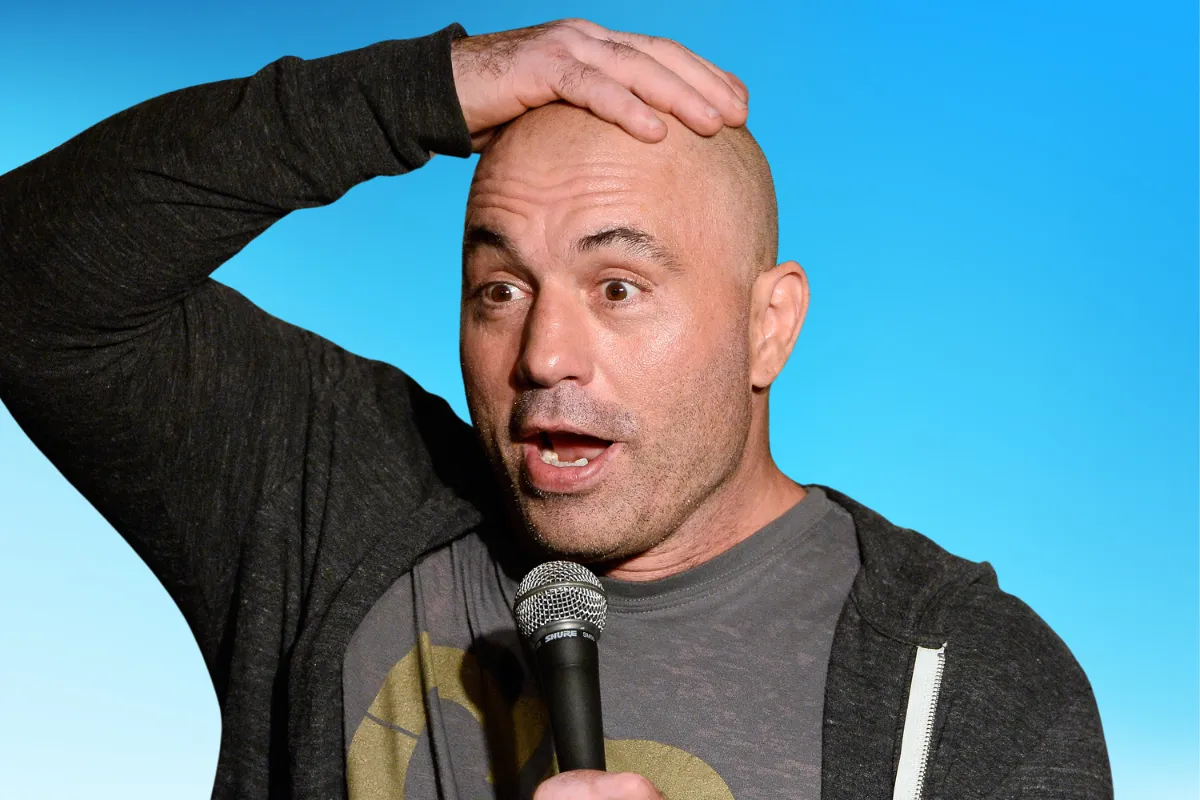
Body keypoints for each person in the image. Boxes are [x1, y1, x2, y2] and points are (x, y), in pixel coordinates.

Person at [0, 17, 1112, 800]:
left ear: (769, 326)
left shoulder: (966, 679)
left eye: (618, 287)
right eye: (501, 288)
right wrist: (419, 92)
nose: (542, 354)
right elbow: (24, 281)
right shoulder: (339, 503)